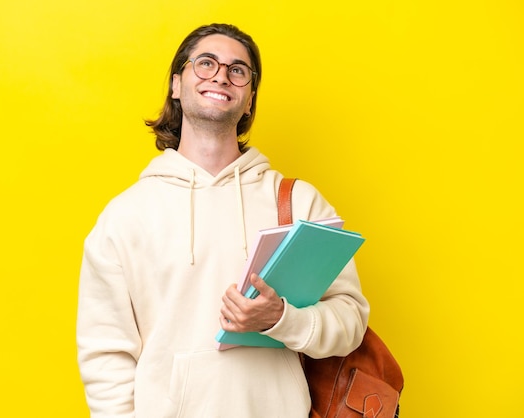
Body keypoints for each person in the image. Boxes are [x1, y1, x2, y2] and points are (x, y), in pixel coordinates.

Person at [76, 23, 369, 418]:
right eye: (206, 63)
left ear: (249, 100)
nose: (220, 75)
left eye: (238, 70)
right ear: (176, 85)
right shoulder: (124, 216)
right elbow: (105, 357)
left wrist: (281, 318)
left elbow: (350, 320)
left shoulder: (299, 202)